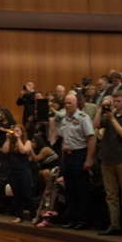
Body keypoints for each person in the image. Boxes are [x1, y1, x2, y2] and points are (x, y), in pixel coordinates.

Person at [94, 91, 122, 238]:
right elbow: (95, 124)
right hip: (107, 159)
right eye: (114, 101)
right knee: (111, 195)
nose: (116, 104)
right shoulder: (109, 115)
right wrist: (101, 109)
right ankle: (115, 225)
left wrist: (112, 119)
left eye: (118, 101)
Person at [50, 92, 96, 231]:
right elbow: (64, 142)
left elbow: (91, 138)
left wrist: (89, 158)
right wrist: (63, 162)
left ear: (76, 103)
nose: (67, 105)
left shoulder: (83, 118)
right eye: (65, 103)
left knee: (81, 189)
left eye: (70, 103)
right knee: (69, 189)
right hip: (68, 157)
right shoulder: (64, 120)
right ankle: (73, 218)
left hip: (80, 154)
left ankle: (82, 220)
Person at [1, 124, 38, 223]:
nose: (16, 133)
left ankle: (34, 215)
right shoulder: (11, 142)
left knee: (27, 193)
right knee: (17, 194)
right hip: (12, 171)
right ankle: (19, 216)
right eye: (14, 131)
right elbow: (5, 150)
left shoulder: (27, 142)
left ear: (22, 132)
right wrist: (8, 139)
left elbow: (23, 151)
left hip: (23, 171)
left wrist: (18, 139)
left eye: (18, 131)